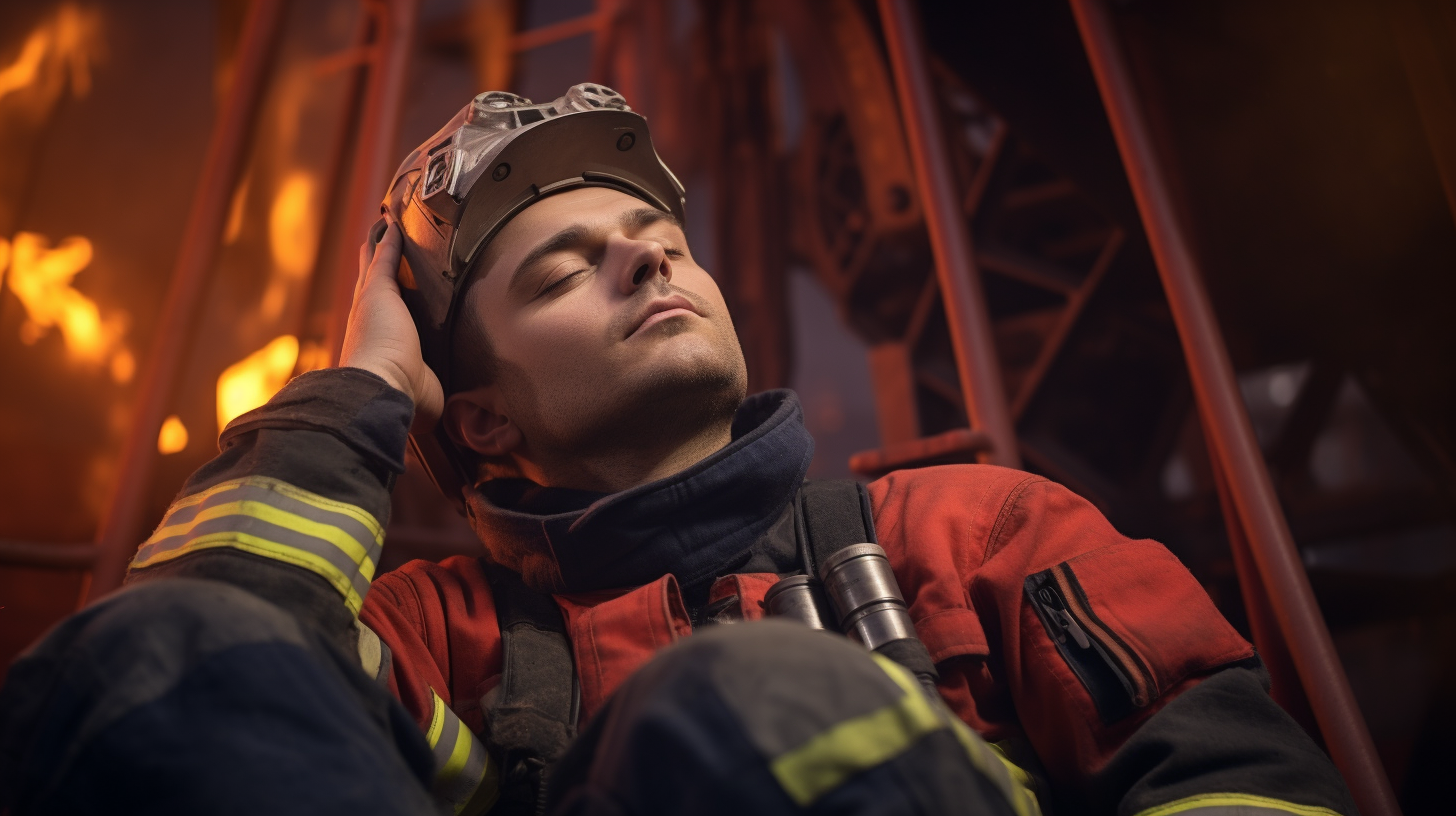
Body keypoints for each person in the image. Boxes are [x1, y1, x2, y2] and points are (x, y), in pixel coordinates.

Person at [0, 85, 1355, 816]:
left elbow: (1241, 783)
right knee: (135, 651)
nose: (647, 254)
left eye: (656, 240)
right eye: (562, 272)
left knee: (740, 702)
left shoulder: (969, 529)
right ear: (478, 417)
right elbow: (200, 655)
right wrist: (365, 377)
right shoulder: (439, 639)